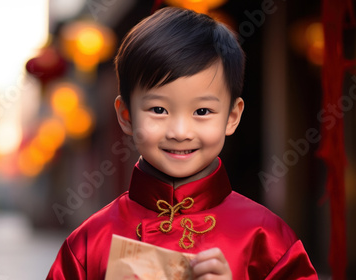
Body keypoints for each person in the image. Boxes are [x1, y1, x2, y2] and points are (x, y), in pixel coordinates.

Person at [47, 7, 318, 279]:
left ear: (232, 117)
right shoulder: (88, 243)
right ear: (126, 116)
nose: (179, 132)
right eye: (158, 110)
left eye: (202, 112)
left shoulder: (267, 239)